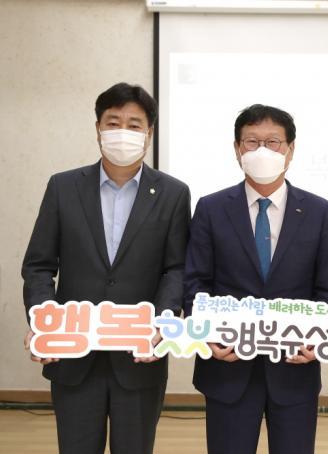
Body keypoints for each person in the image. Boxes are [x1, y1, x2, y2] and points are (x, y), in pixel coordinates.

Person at [21, 82, 191, 454]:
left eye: (134, 124)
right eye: (113, 123)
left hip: (140, 355)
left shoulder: (173, 193)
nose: (122, 132)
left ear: (149, 133)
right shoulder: (63, 187)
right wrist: (43, 318)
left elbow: (176, 269)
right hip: (73, 352)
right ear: (98, 128)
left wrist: (162, 322)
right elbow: (39, 265)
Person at [183, 104, 328, 454]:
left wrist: (318, 336)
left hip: (294, 367)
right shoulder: (211, 208)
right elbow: (195, 282)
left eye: (273, 142)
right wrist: (206, 332)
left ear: (290, 149)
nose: (262, 151)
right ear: (237, 149)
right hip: (227, 367)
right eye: (252, 142)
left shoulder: (319, 212)